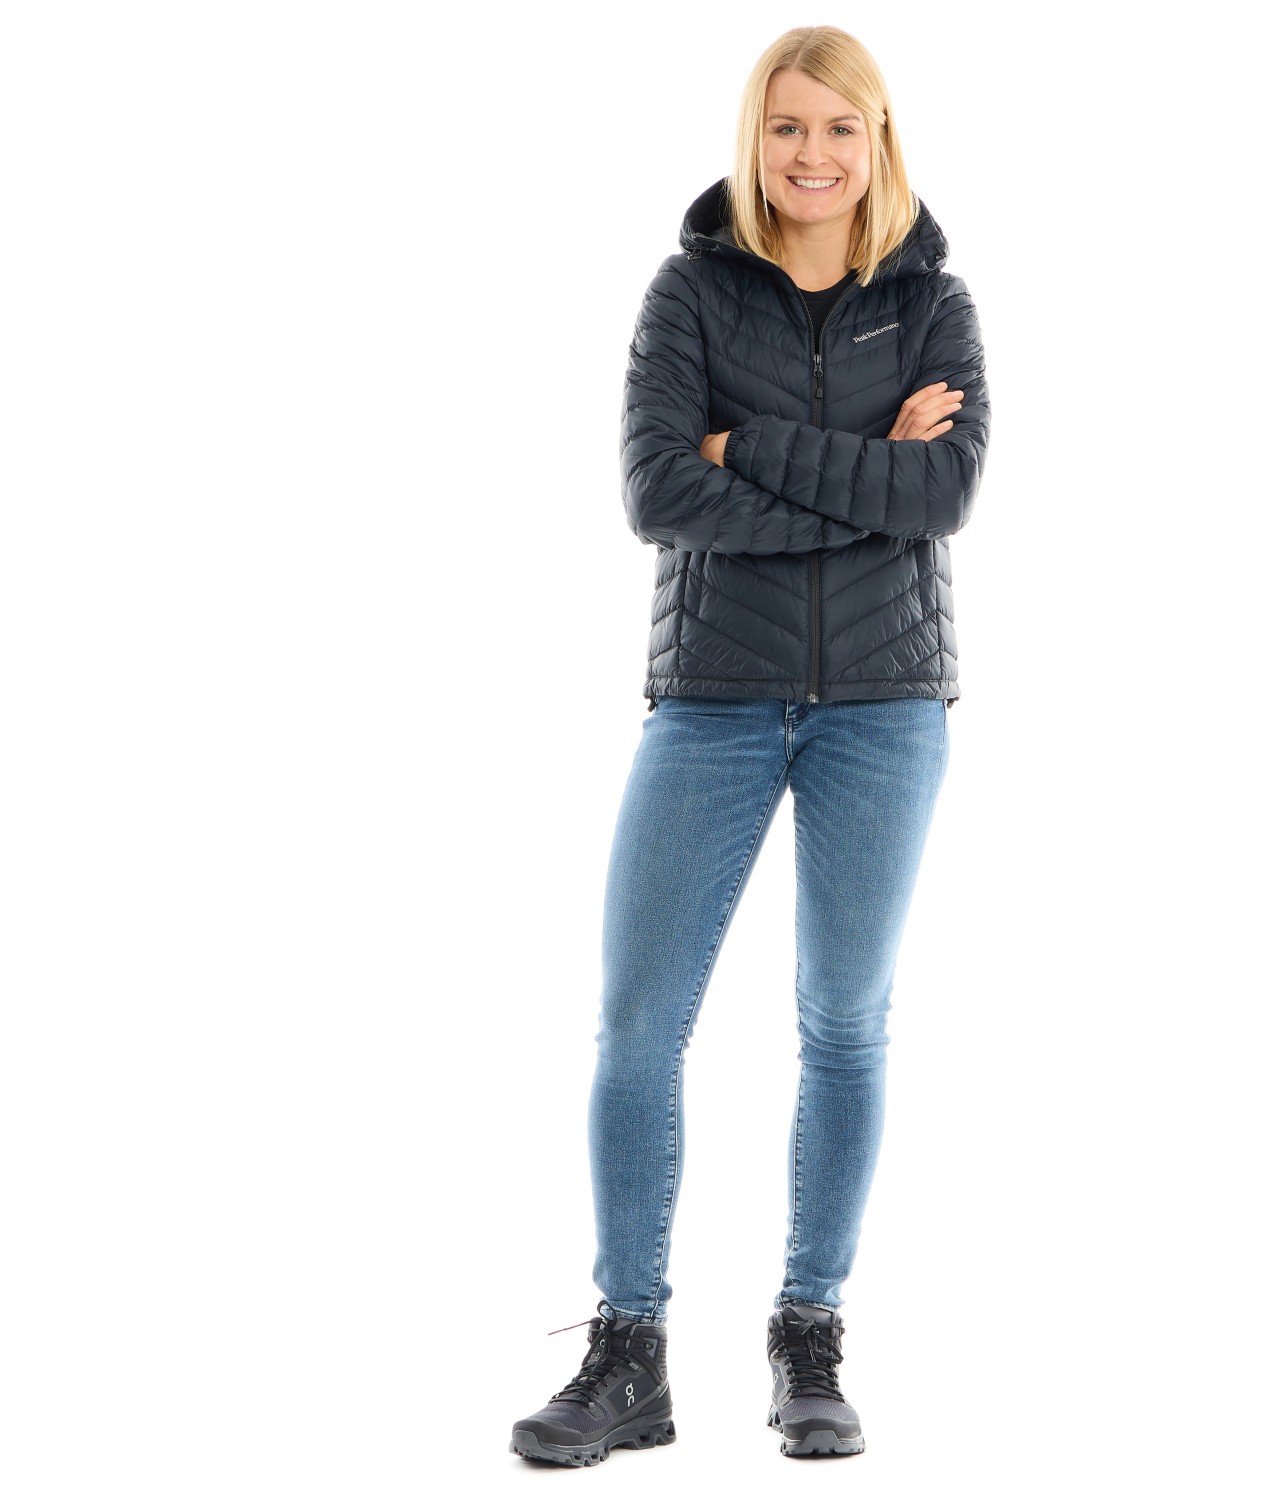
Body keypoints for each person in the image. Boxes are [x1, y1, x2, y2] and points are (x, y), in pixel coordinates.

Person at [510, 25, 990, 1466]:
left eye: (840, 128)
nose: (812, 155)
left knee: (844, 1024)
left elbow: (944, 494)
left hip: (886, 708)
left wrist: (751, 447)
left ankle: (808, 1335)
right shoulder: (690, 292)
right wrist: (865, 475)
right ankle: (630, 1350)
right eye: (787, 126)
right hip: (712, 696)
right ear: (754, 137)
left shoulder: (935, 304)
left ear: (878, 139)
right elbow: (659, 493)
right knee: (638, 1024)